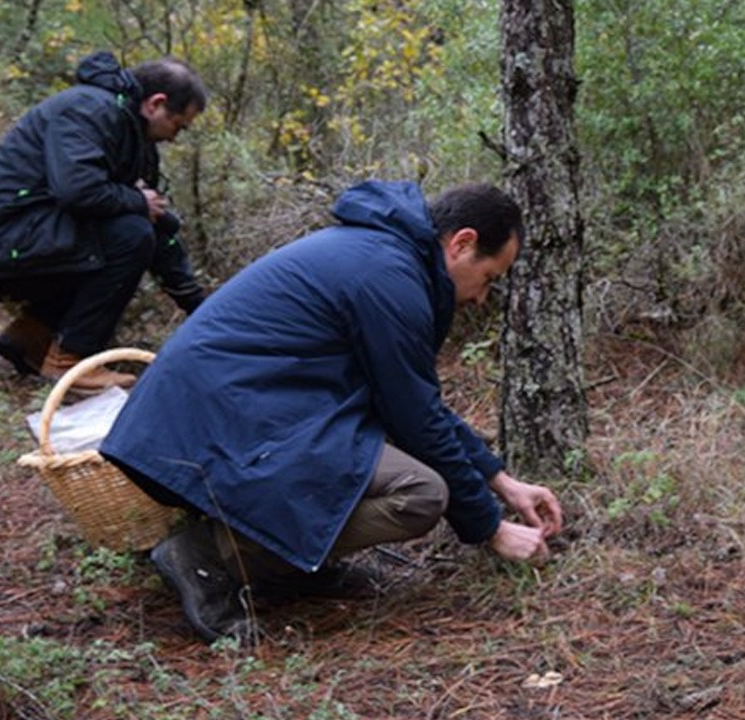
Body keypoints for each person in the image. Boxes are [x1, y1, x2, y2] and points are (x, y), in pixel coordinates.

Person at [100, 180, 564, 643]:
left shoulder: (386, 257)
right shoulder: (390, 277)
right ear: (462, 243)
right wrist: (489, 527)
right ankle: (212, 554)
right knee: (420, 494)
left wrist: (501, 481)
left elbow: (417, 404)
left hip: (223, 413)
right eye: (489, 279)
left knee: (369, 453)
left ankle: (289, 558)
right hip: (221, 418)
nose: (482, 298)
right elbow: (417, 421)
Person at [0, 51, 209, 392]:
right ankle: (73, 362)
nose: (176, 137)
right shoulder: (88, 109)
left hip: (25, 238)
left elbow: (155, 225)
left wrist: (197, 304)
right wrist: (136, 202)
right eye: (178, 125)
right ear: (156, 103)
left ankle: (31, 338)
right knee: (129, 236)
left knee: (134, 230)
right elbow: (78, 191)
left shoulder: (136, 138)